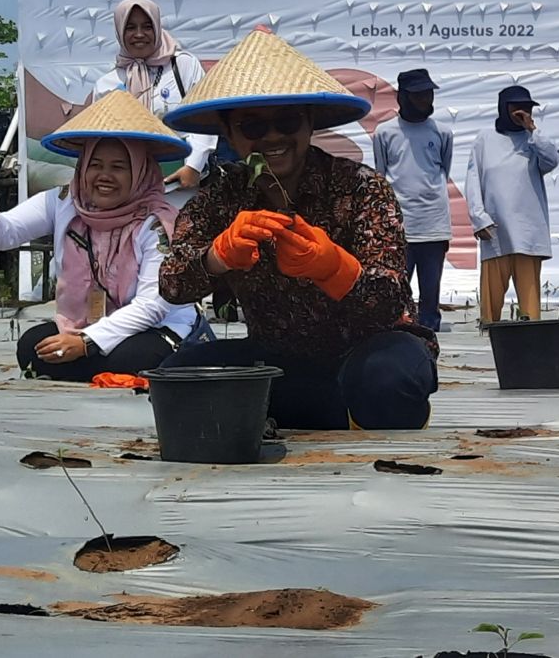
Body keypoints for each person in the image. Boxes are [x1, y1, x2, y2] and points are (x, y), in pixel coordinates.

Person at [158, 29, 437, 430]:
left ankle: (340, 406)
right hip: (281, 355)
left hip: (372, 345)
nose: (272, 137)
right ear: (231, 136)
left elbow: (391, 300)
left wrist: (335, 269)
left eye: (287, 120)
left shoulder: (361, 186)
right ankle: (334, 410)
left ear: (309, 124)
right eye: (252, 127)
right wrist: (216, 259)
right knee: (179, 375)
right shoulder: (220, 198)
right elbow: (172, 284)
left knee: (386, 382)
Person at [0, 90, 198, 379]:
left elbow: (152, 305)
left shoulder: (157, 223)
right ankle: (96, 368)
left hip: (153, 327)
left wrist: (86, 343)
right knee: (31, 346)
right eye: (96, 165)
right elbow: (7, 233)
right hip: (83, 325)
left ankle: (97, 366)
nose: (104, 176)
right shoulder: (64, 200)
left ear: (140, 172)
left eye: (118, 167)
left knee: (133, 358)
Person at [94, 0, 217, 192]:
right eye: (130, 27)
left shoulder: (183, 65)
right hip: (131, 189)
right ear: (119, 31)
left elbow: (203, 117)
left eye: (147, 26)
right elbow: (102, 143)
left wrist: (194, 166)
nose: (139, 34)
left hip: (184, 184)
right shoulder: (106, 84)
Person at [466, 85, 559, 324]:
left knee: (530, 311)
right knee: (490, 310)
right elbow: (473, 180)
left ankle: (530, 338)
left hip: (528, 231)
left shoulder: (534, 140)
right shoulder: (484, 139)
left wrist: (532, 129)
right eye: (516, 107)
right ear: (503, 108)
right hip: (495, 229)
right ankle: (490, 337)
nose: (522, 111)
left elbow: (552, 161)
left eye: (527, 107)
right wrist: (479, 218)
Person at [372, 69, 454, 331]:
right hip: (400, 225)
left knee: (431, 291)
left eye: (429, 94)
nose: (426, 100)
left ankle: (431, 334)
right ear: (402, 97)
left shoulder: (442, 132)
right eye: (419, 95)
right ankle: (399, 332)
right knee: (397, 286)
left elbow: (444, 170)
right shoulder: (385, 133)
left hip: (434, 224)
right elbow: (381, 176)